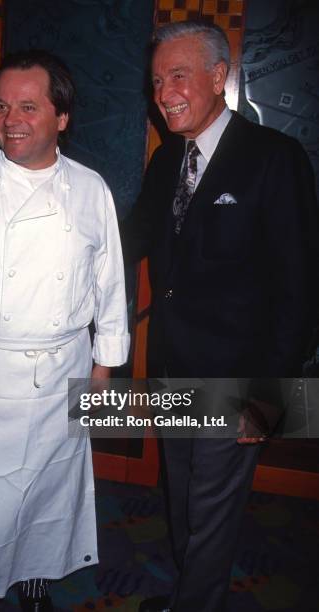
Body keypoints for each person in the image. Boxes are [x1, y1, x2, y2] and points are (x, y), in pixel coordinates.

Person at [0, 50, 129, 612]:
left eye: (29, 107)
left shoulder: (91, 190)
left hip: (63, 374)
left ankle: (35, 578)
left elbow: (109, 289)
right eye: (3, 106)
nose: (11, 119)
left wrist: (103, 373)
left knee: (47, 496)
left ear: (62, 118)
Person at [122, 21, 318, 612]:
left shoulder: (274, 158)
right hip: (172, 368)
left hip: (238, 379)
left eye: (177, 76)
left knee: (212, 513)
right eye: (157, 80)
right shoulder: (165, 164)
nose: (164, 93)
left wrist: (272, 395)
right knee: (181, 498)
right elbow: (127, 244)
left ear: (218, 76)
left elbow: (300, 288)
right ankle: (190, 591)